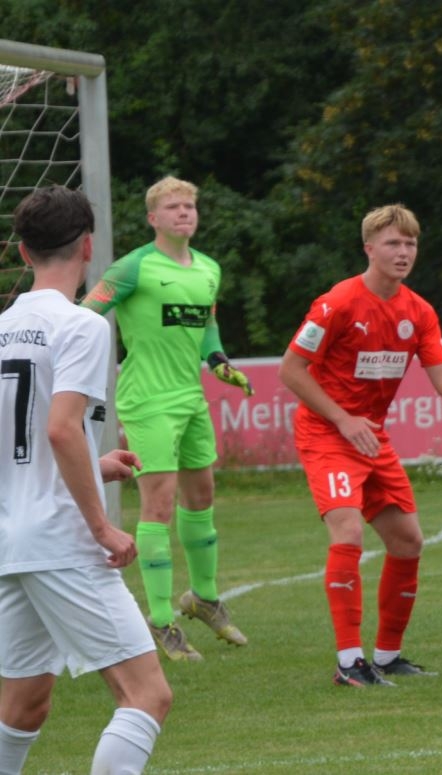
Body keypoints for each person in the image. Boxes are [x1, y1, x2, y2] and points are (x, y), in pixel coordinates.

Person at [279, 204, 442, 687]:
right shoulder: (337, 303)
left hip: (370, 437)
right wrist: (342, 419)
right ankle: (350, 663)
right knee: (348, 533)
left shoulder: (418, 311)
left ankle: (386, 657)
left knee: (408, 541)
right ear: (369, 248)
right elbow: (291, 370)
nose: (403, 252)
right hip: (327, 433)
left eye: (410, 243)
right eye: (393, 243)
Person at [0, 186, 172, 775]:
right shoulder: (82, 326)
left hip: (12, 541)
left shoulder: (3, 326)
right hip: (61, 540)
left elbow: (21, 442)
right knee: (147, 695)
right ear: (89, 247)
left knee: (23, 706)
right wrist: (101, 526)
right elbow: (60, 429)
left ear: (24, 252)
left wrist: (94, 469)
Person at [81, 176, 254, 661]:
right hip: (147, 399)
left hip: (191, 398)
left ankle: (203, 598)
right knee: (158, 505)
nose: (184, 213)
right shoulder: (133, 266)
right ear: (153, 218)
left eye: (189, 206)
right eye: (173, 207)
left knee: (202, 496)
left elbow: (208, 325)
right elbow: (86, 312)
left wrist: (219, 362)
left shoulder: (209, 269)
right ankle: (160, 620)